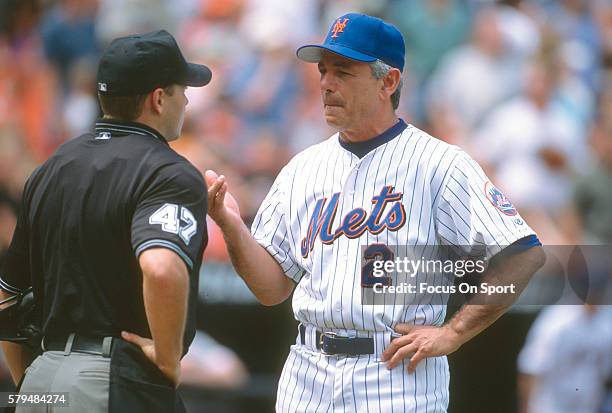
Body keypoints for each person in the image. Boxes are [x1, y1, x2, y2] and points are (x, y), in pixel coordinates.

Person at [205, 12, 545, 412]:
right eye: (323, 72)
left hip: (395, 373)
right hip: (307, 372)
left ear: (388, 81)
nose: (327, 84)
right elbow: (271, 289)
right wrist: (230, 225)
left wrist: (454, 333)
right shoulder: (302, 167)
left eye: (344, 72)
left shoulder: (439, 163)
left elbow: (523, 255)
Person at [0, 30, 211, 412]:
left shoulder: (51, 167)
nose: (188, 99)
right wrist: (167, 356)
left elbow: (6, 297)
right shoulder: (168, 172)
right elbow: (161, 269)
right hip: (110, 381)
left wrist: (29, 383)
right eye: (182, 89)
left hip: (41, 379)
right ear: (158, 99)